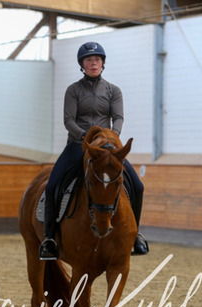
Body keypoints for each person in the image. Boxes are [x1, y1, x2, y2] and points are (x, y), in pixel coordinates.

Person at [39, 41, 149, 260]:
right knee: (52, 187)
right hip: (77, 145)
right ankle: (50, 239)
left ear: (102, 63)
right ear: (82, 64)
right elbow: (69, 121)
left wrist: (112, 137)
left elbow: (118, 117)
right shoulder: (73, 90)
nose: (93, 64)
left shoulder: (113, 91)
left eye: (97, 60)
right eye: (89, 60)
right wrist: (86, 138)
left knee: (137, 186)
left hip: (107, 149)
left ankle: (135, 235)